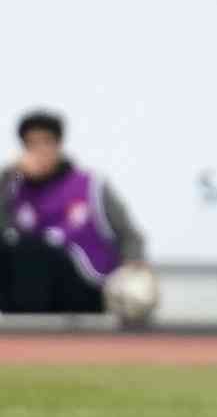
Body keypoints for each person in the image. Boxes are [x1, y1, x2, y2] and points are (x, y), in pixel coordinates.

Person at [0, 110, 150, 315]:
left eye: (46, 142)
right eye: (31, 144)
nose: (40, 151)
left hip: (85, 284)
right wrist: (8, 176)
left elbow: (130, 236)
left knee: (37, 249)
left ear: (59, 145)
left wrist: (134, 267)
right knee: (17, 248)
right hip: (30, 289)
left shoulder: (90, 185)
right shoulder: (14, 190)